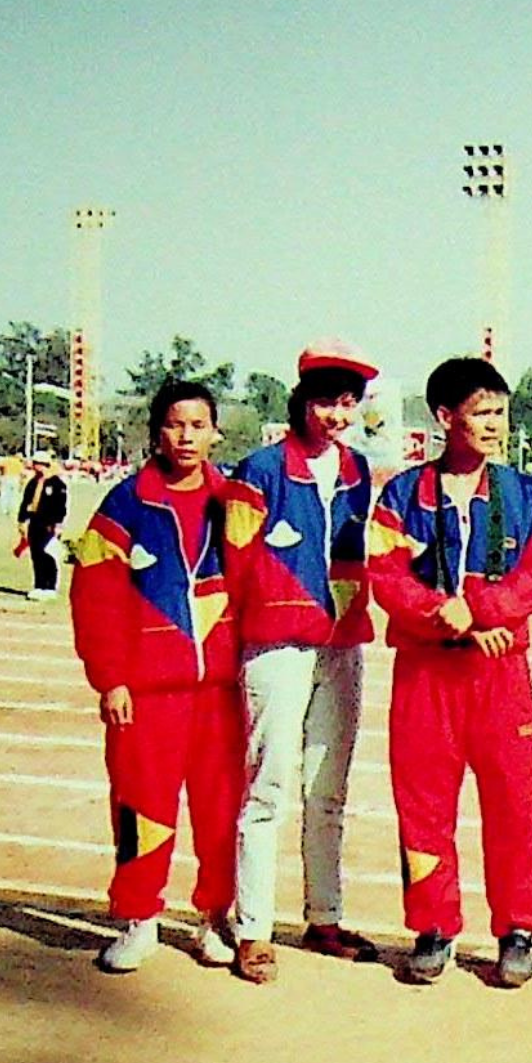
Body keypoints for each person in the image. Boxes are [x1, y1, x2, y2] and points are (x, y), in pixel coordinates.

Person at [367, 357, 532, 986]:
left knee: (513, 806)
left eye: (500, 412)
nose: (495, 425)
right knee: (423, 805)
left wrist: (478, 610)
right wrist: (443, 616)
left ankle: (518, 928)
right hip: (427, 674)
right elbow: (386, 577)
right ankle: (433, 925)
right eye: (482, 413)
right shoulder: (402, 494)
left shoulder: (520, 493)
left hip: (500, 674)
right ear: (446, 417)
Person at [69, 380, 245, 973]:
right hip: (147, 693)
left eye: (198, 425)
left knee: (222, 810)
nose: (186, 436)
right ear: (157, 432)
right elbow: (95, 598)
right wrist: (111, 678)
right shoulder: (125, 504)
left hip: (222, 690)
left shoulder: (235, 502)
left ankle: (214, 917)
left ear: (215, 433)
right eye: (175, 424)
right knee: (140, 807)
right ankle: (138, 918)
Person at [223, 337, 380, 984]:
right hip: (276, 644)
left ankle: (325, 917)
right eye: (326, 401)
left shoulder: (357, 470)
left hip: (342, 642)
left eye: (347, 403)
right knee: (267, 787)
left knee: (328, 788)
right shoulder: (260, 470)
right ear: (302, 401)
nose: (337, 415)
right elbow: (235, 561)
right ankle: (253, 928)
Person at [19, 453, 69, 600]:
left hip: (49, 524)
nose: (35, 466)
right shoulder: (33, 482)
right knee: (36, 555)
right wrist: (22, 520)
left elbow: (61, 506)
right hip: (34, 522)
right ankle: (39, 585)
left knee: (47, 554)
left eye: (38, 463)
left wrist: (58, 524)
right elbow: (25, 502)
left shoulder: (57, 484)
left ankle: (50, 586)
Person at [0, 452, 26, 518]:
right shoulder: (19, 463)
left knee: (5, 494)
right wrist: (21, 484)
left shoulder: (6, 460)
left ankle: (4, 510)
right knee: (14, 495)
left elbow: (0, 467)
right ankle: (13, 509)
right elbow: (22, 474)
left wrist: (1, 475)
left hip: (6, 477)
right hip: (15, 479)